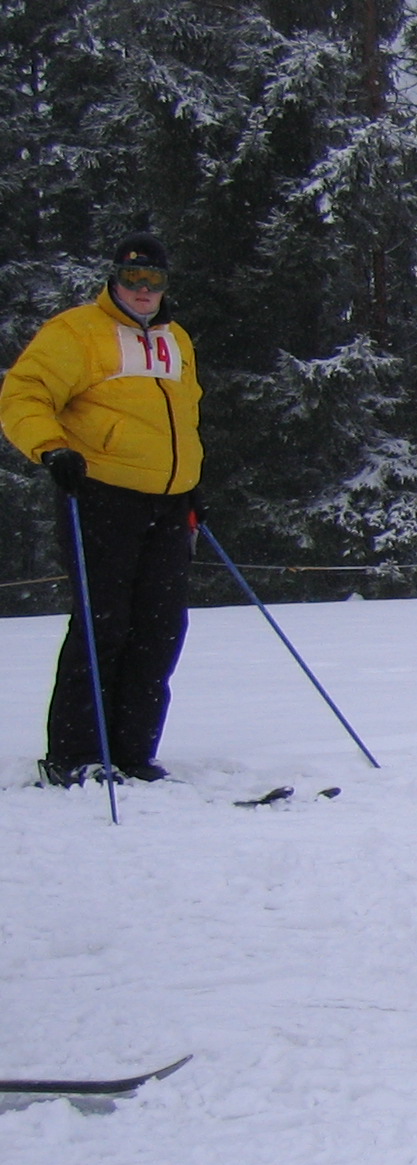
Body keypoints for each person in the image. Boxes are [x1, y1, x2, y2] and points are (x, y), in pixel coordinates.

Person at [2, 234, 202, 786]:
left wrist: (191, 481)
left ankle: (132, 752)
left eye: (153, 281)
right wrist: (52, 448)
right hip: (100, 495)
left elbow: (184, 417)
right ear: (114, 279)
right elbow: (24, 395)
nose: (143, 291)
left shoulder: (177, 339)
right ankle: (74, 756)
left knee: (159, 628)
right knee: (103, 624)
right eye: (132, 279)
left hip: (168, 504)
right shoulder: (76, 332)